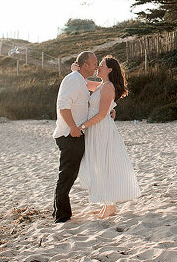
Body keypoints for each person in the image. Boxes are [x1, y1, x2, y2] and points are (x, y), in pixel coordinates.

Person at [76, 55, 141, 218]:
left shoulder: (107, 87)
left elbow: (101, 115)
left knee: (103, 164)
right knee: (99, 164)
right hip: (96, 129)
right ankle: (107, 204)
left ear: (110, 69)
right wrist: (75, 71)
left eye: (102, 65)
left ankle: (110, 205)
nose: (98, 67)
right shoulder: (101, 85)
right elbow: (83, 85)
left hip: (100, 130)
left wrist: (81, 126)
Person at [52, 51, 97, 223]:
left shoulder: (80, 80)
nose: (96, 66)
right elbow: (63, 106)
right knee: (67, 175)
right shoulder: (73, 80)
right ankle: (61, 216)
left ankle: (59, 211)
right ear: (85, 65)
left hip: (74, 133)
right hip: (69, 134)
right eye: (94, 63)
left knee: (68, 175)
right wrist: (72, 127)